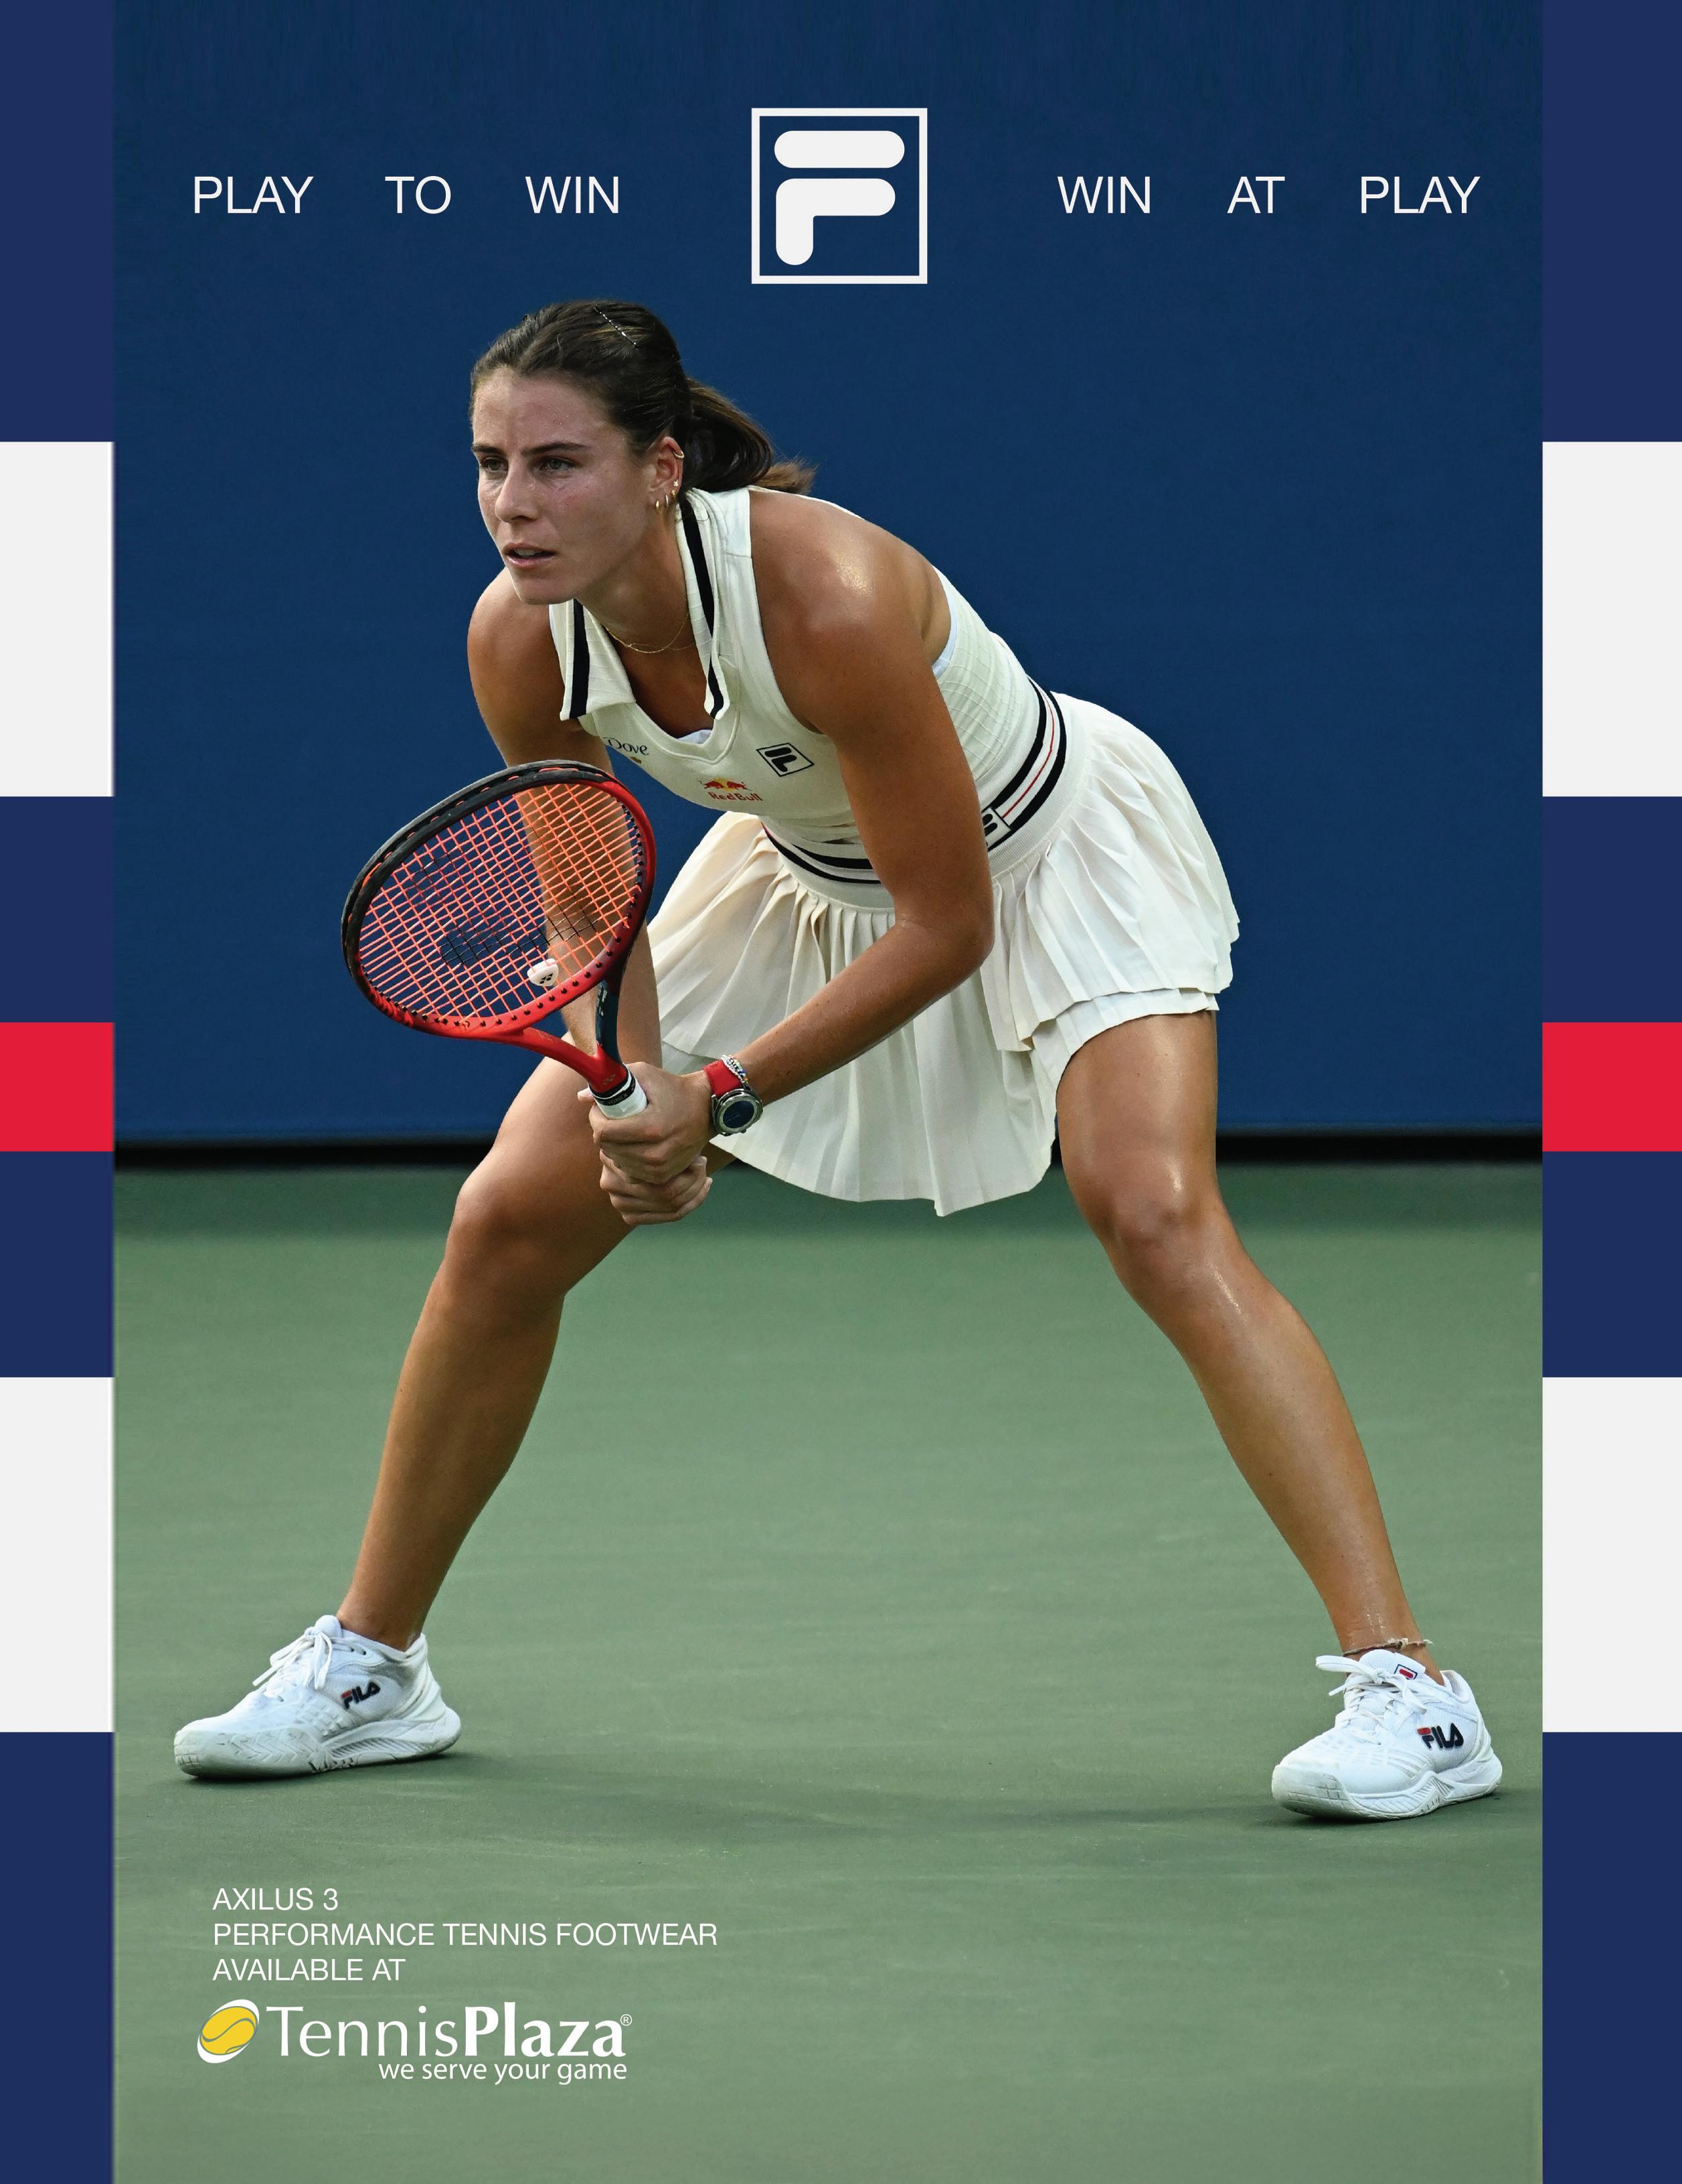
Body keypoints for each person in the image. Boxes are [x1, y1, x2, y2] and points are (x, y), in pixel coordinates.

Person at [175, 299, 1501, 1821]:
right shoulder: (517, 639)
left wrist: (719, 1097)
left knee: (1154, 1213)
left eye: (556, 464)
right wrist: (635, 1097)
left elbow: (947, 923)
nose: (512, 506)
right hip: (796, 874)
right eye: (490, 465)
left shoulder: (827, 599)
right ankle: (373, 1666)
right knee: (504, 1220)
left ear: (662, 468)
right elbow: (588, 910)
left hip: (1046, 856)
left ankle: (1415, 1697)